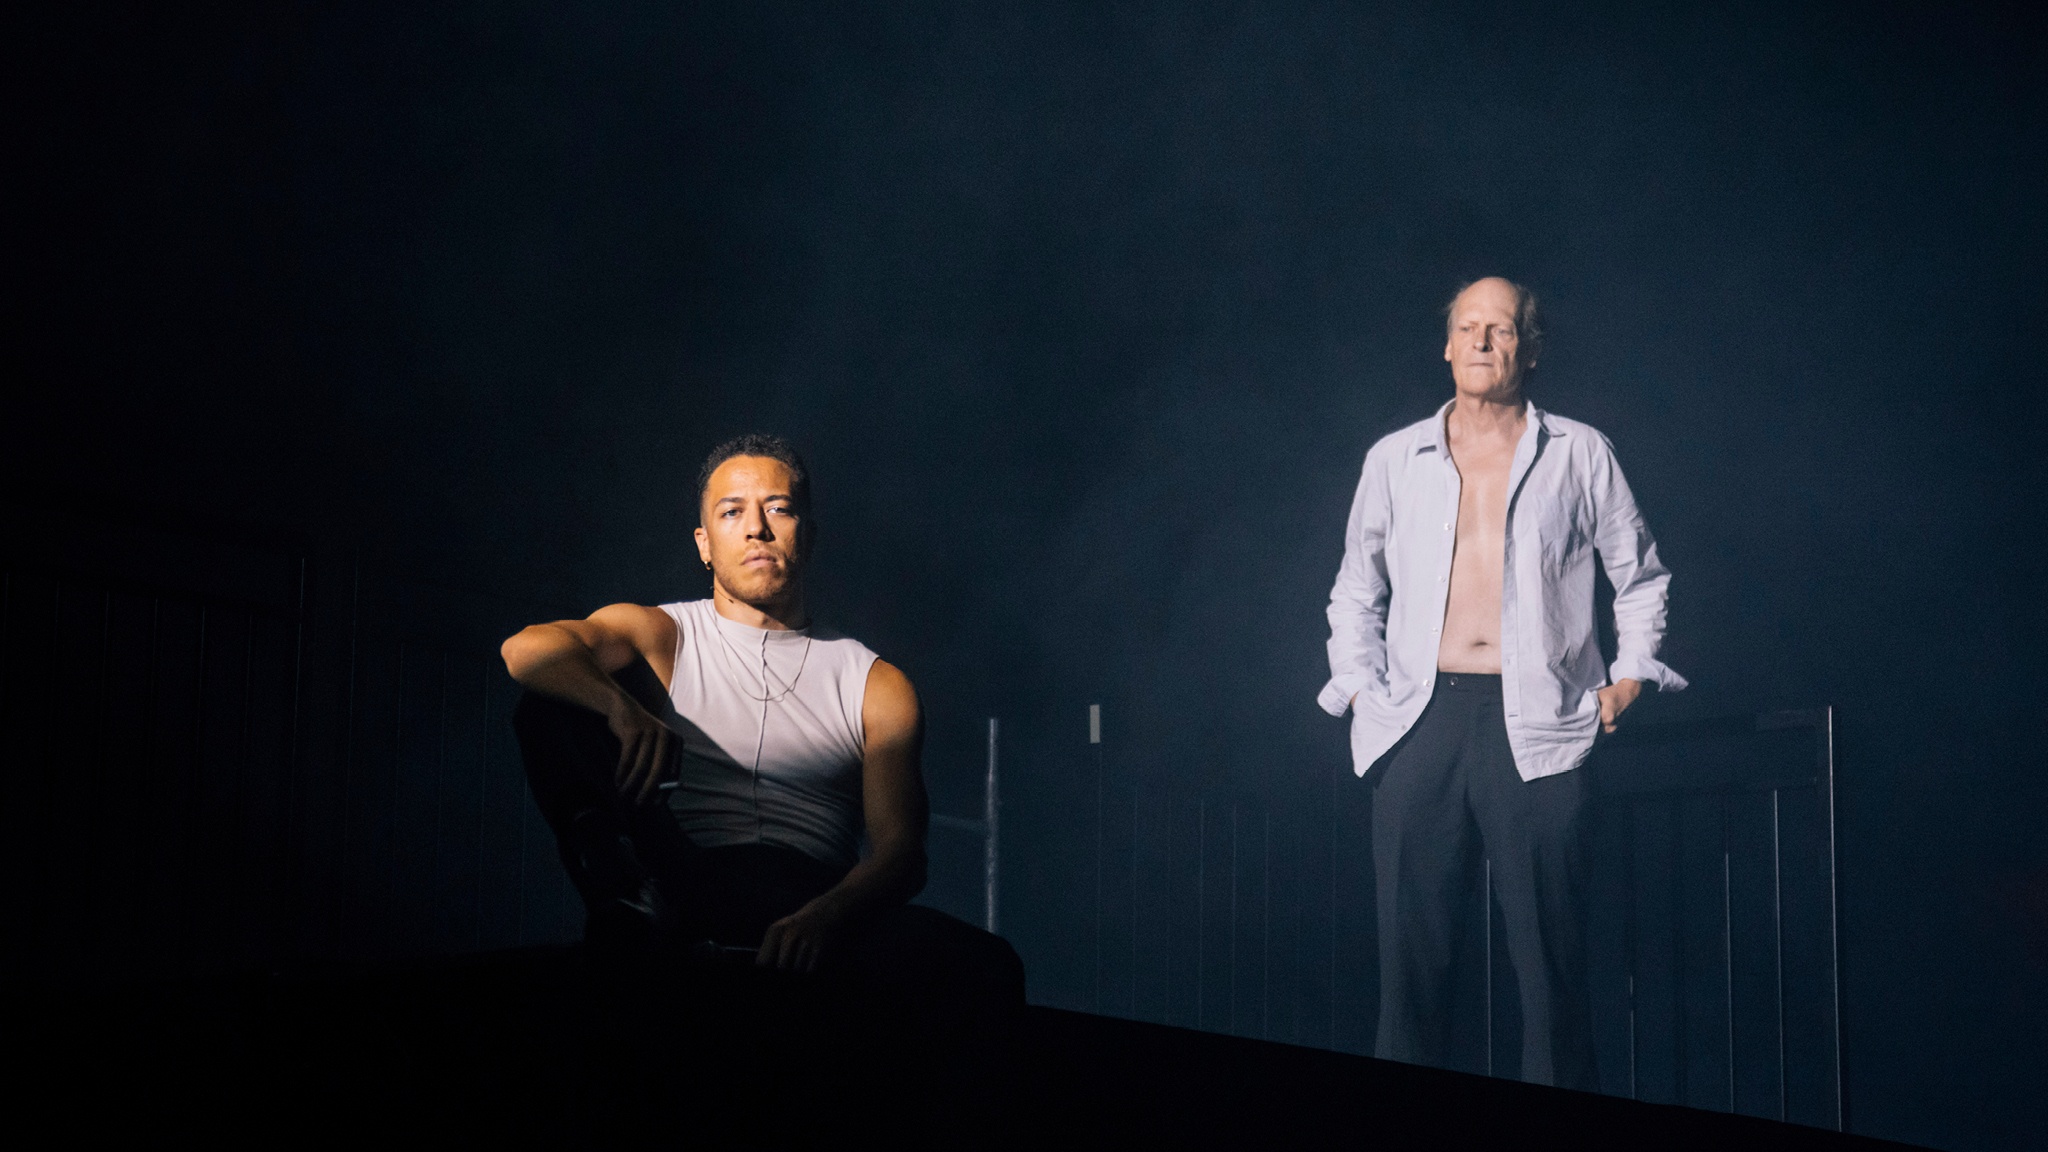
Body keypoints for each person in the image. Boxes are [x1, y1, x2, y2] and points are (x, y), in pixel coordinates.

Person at [499, 432, 1022, 1046]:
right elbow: (526, 650)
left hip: (812, 895)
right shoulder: (663, 633)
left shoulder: (876, 684)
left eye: (778, 508)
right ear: (704, 544)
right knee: (552, 705)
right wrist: (620, 709)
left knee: (988, 964)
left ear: (808, 533)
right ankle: (633, 911)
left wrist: (824, 918)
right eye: (731, 511)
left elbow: (901, 854)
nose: (756, 529)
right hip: (682, 873)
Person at [1320, 278, 1685, 1088]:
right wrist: (1357, 681)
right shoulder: (1394, 459)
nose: (1484, 342)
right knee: (1409, 983)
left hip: (1543, 728)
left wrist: (1632, 677)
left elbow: (1642, 578)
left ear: (1530, 347)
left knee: (1551, 980)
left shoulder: (1581, 453)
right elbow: (1355, 588)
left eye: (1503, 329)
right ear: (1446, 344)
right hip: (1420, 722)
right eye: (1469, 327)